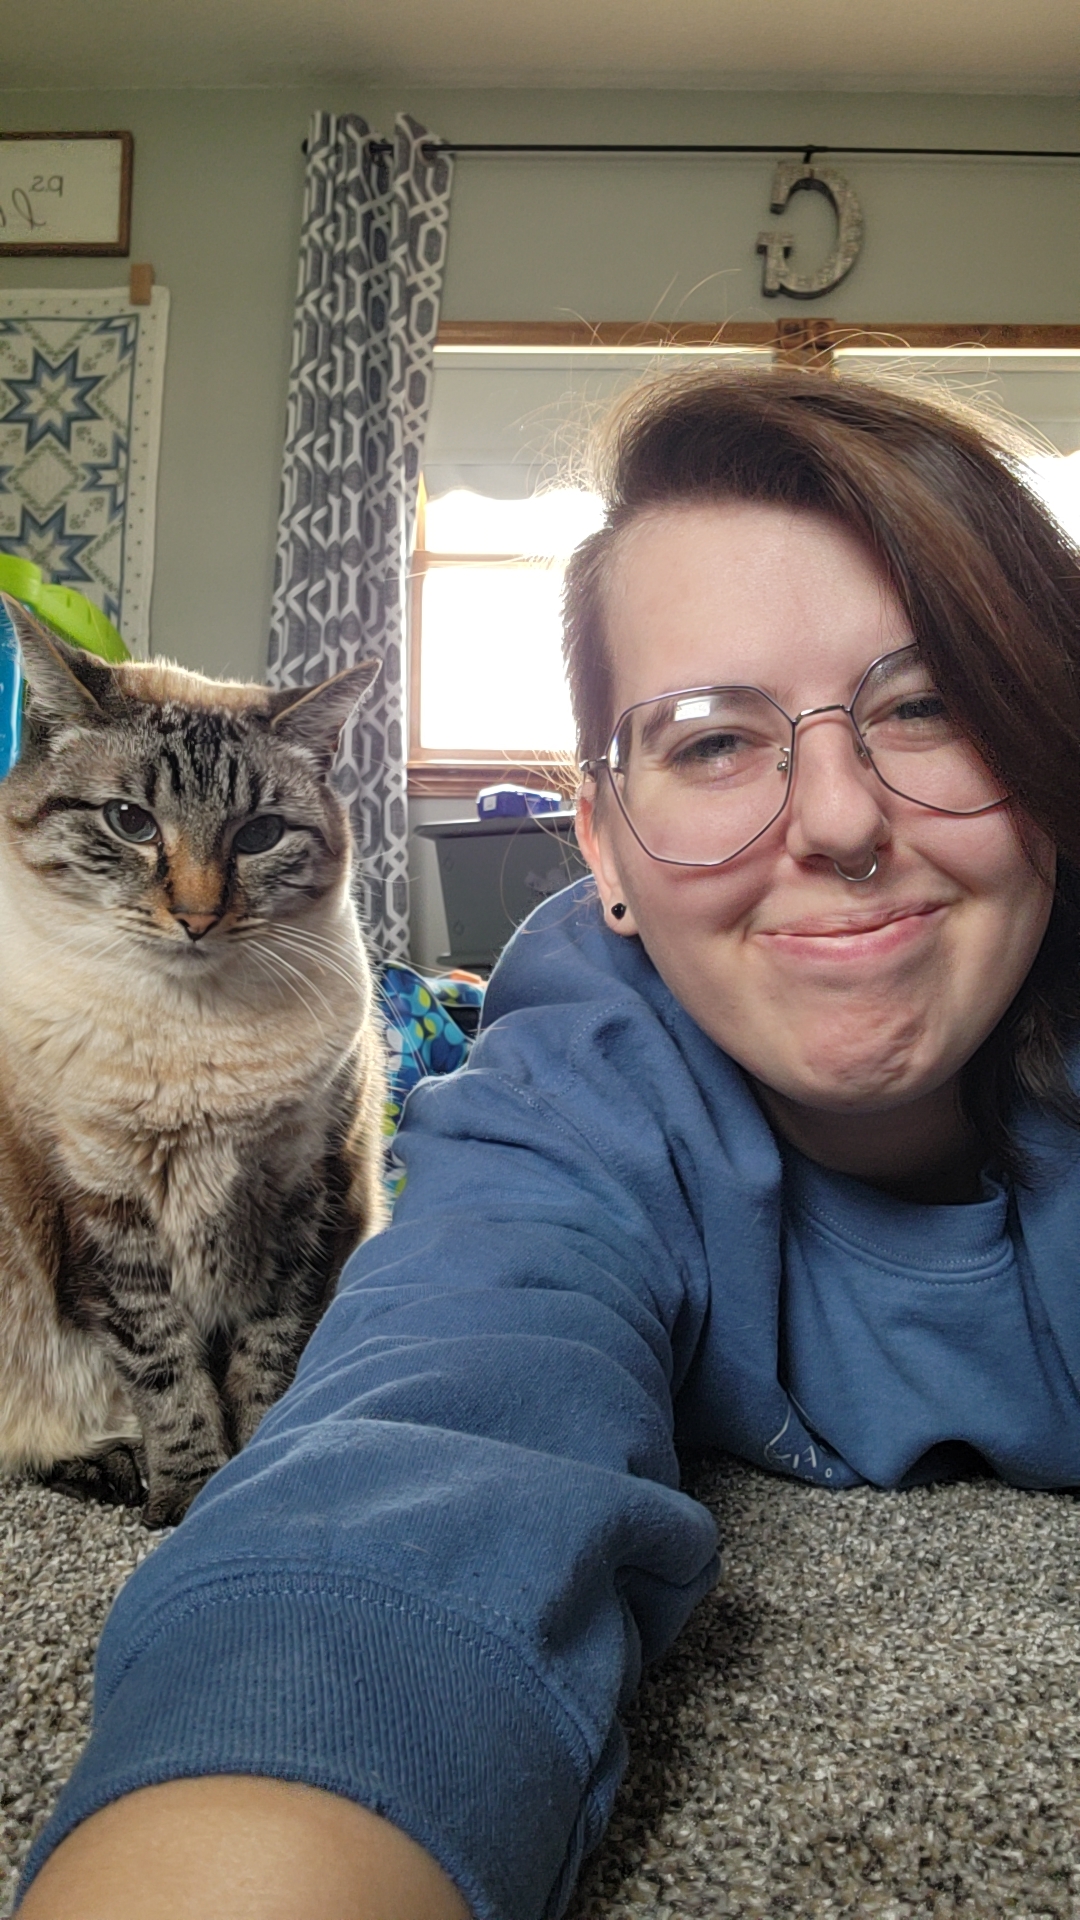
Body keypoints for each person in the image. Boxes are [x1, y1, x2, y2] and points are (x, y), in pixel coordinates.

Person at [18, 363, 1080, 1920]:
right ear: (601, 844)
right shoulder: (571, 1092)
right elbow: (424, 1444)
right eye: (713, 739)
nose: (843, 821)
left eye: (926, 706)